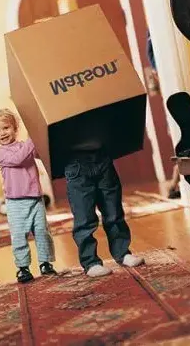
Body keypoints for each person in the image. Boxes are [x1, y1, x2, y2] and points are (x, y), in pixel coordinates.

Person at [64, 114, 145, 277]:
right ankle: (90, 262)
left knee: (113, 210)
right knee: (84, 217)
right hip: (75, 163)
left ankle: (122, 253)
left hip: (102, 157)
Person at [0, 109, 56, 283]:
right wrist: (32, 138)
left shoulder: (26, 145)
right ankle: (23, 267)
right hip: (16, 203)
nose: (2, 133)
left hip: (35, 199)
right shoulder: (0, 153)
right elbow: (18, 159)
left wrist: (39, 136)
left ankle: (45, 263)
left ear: (15, 128)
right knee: (19, 235)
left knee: (42, 232)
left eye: (6, 128)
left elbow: (37, 154)